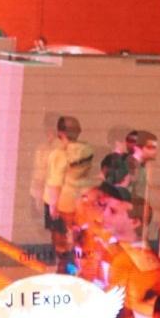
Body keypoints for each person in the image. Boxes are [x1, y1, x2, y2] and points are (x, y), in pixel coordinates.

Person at [42, 116, 99, 271]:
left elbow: (55, 182)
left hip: (62, 202)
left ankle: (64, 270)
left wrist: (53, 205)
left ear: (60, 133)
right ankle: (78, 268)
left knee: (60, 240)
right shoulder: (87, 150)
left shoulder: (59, 154)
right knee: (78, 237)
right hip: (80, 200)